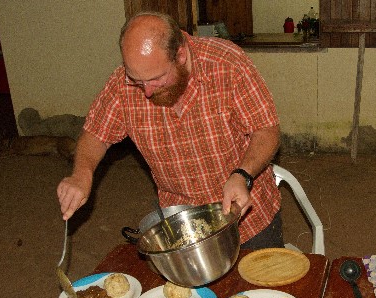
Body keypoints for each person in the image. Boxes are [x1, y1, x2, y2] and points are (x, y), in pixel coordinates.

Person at [57, 11, 284, 249]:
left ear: (181, 55)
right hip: (181, 223)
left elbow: (266, 130)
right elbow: (96, 134)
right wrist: (82, 174)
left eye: (156, 79)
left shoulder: (228, 64)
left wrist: (243, 174)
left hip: (248, 220)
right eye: (137, 80)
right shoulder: (123, 85)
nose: (146, 91)